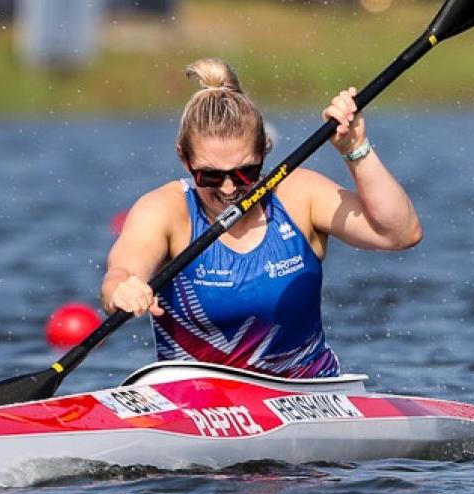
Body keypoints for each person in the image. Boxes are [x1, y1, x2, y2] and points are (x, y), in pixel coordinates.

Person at [101, 58, 422, 378]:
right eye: (210, 176)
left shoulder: (298, 195)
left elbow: (400, 234)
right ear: (184, 159)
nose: (228, 188)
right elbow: (123, 269)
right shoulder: (165, 210)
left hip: (308, 396)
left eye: (245, 172)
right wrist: (122, 289)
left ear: (265, 152)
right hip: (192, 402)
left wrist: (356, 148)